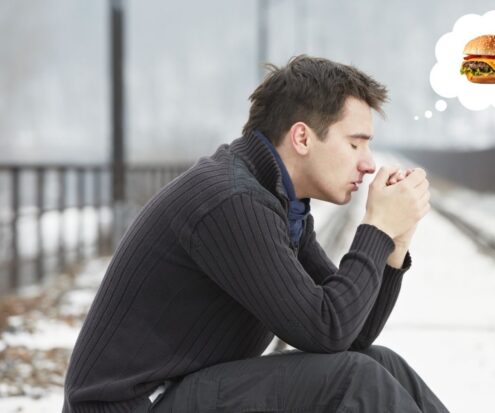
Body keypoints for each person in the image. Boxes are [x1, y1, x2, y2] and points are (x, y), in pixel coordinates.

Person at [62, 55, 447, 412]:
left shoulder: (277, 201)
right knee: (353, 380)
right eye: (354, 143)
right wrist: (375, 228)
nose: (368, 164)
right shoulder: (231, 202)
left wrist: (395, 243)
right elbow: (326, 330)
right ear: (302, 138)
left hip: (178, 391)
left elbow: (353, 334)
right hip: (134, 404)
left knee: (380, 362)